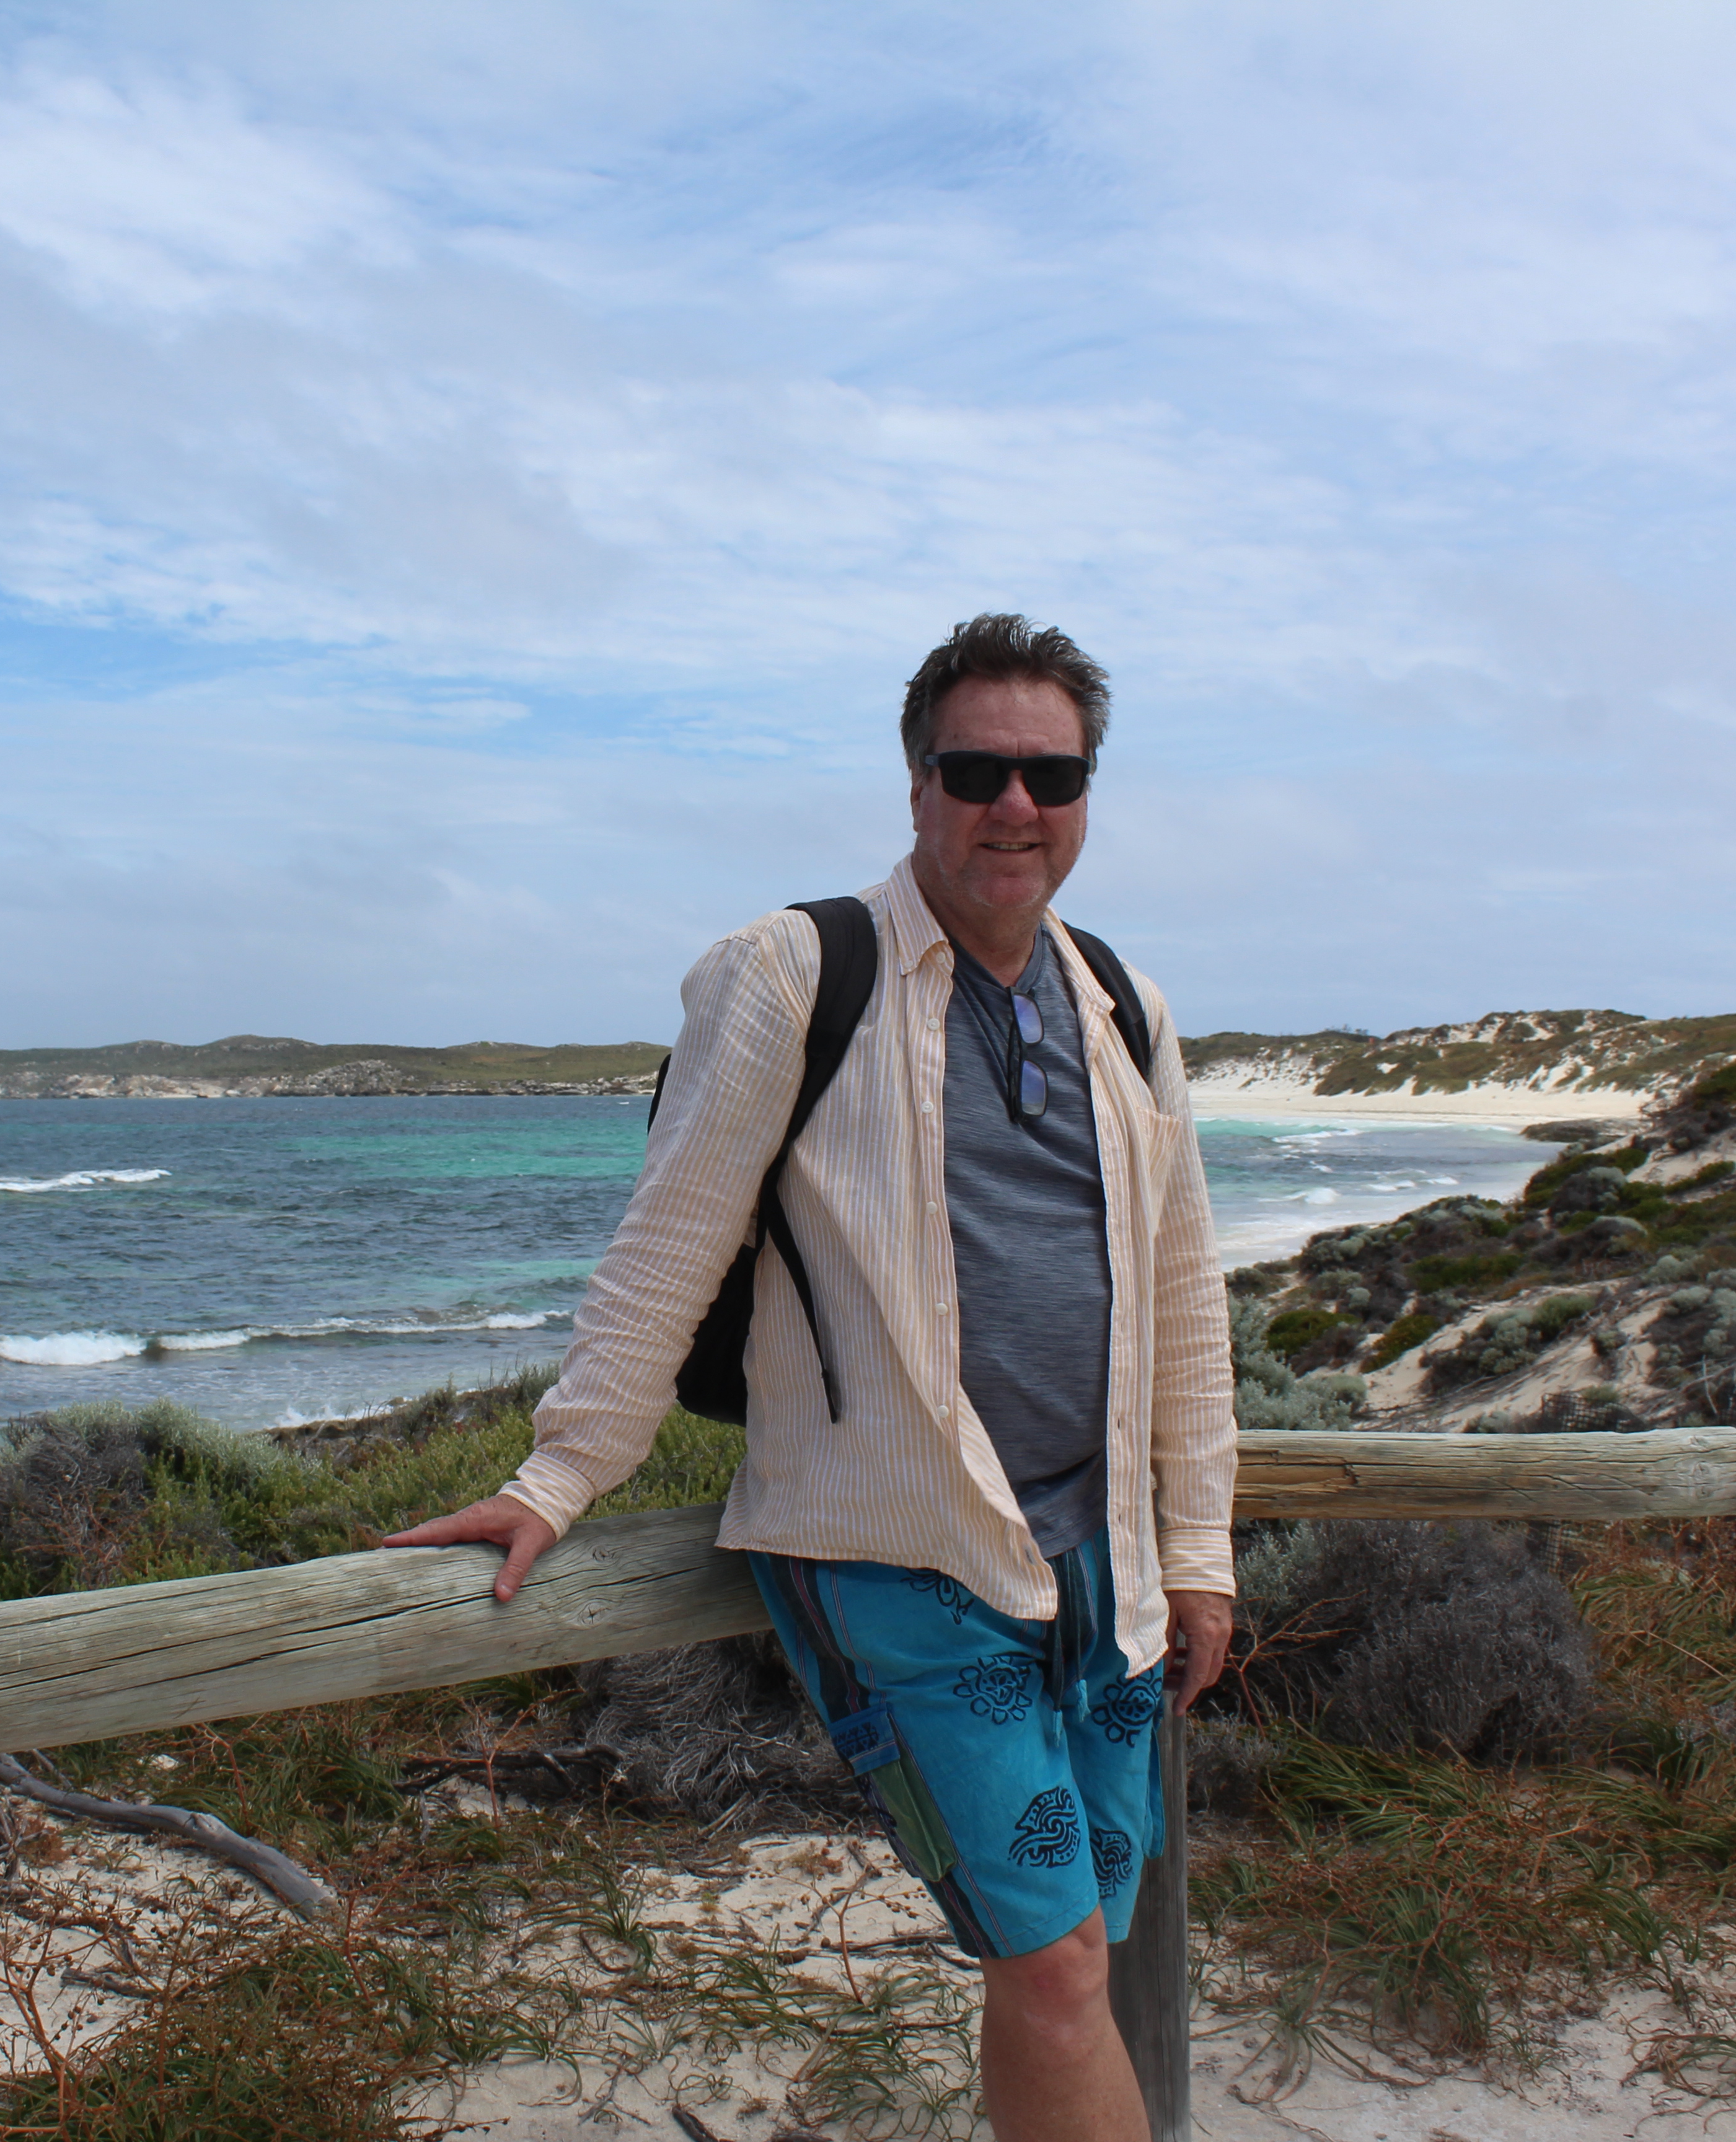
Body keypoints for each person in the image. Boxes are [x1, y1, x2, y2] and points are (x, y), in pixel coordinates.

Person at [387, 613, 1234, 2142]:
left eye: (1052, 772)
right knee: (1051, 1967)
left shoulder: (1122, 1002)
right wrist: (556, 1476)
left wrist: (1200, 1555)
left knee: (1075, 1949)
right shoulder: (790, 974)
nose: (1014, 804)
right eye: (976, 767)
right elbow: (668, 1247)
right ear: (916, 784)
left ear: (1090, 791)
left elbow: (1183, 1298)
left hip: (1102, 1560)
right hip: (896, 1550)